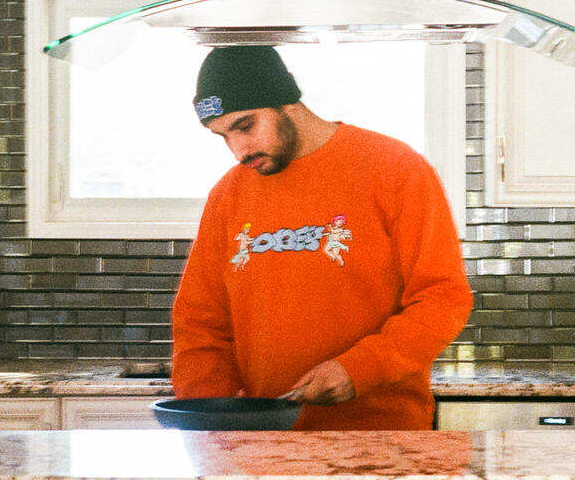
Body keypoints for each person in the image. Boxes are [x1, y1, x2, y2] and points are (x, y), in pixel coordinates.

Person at [170, 46, 473, 430]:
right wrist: (209, 420)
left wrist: (361, 369)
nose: (238, 151)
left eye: (245, 126)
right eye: (223, 136)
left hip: (383, 437)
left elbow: (442, 298)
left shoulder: (396, 169)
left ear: (286, 102)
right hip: (267, 439)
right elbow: (201, 324)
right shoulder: (228, 195)